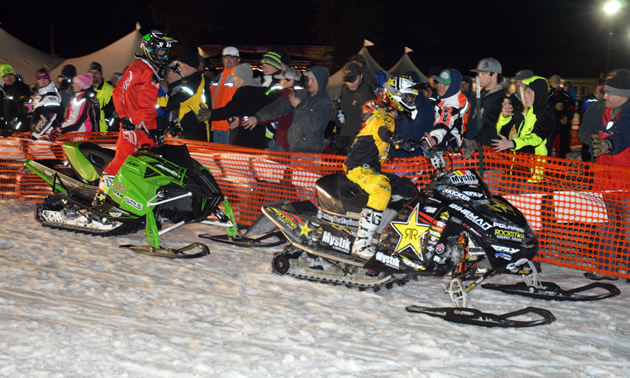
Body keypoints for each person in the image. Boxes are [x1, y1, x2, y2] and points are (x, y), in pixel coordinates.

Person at [93, 30, 177, 206]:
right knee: (121, 160)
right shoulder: (139, 67)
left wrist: (159, 127)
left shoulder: (154, 70)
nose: (165, 55)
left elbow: (149, 104)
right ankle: (101, 197)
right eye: (162, 51)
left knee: (149, 164)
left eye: (166, 51)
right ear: (151, 49)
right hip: (132, 126)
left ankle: (140, 200)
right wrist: (124, 118)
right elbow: (118, 91)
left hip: (147, 127)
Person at [344, 76, 419, 259]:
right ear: (395, 96)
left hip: (371, 168)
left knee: (408, 190)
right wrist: (396, 141)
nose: (411, 101)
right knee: (382, 189)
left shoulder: (389, 115)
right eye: (408, 97)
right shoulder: (384, 116)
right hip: (358, 167)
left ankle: (386, 235)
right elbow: (381, 131)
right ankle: (361, 243)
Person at [243, 66, 333, 153]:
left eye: (313, 80)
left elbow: (315, 125)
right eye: (309, 79)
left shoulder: (325, 102)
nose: (309, 82)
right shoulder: (302, 95)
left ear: (321, 82)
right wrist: (257, 117)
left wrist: (300, 106)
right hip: (294, 149)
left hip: (310, 152)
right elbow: (279, 107)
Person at [199, 63, 272, 149]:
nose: (234, 80)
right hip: (258, 139)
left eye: (235, 77)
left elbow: (230, 110)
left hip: (243, 139)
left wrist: (210, 114)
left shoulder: (243, 91)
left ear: (242, 78)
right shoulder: (261, 91)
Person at [492, 76, 555, 157]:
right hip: (520, 162)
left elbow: (536, 138)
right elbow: (500, 130)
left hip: (537, 166)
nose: (525, 96)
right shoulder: (522, 111)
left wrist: (513, 143)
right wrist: (504, 117)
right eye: (525, 92)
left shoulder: (547, 114)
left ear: (539, 94)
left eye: (529, 92)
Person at [158, 51, 211, 142]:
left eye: (179, 64)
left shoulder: (194, 82)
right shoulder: (191, 80)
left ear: (186, 65)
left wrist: (151, 100)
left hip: (195, 133)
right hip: (190, 131)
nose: (178, 68)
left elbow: (176, 102)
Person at [463, 57, 508, 158]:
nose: (479, 77)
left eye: (483, 73)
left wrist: (476, 141)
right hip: (472, 154)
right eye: (478, 74)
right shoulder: (478, 96)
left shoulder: (501, 100)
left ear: (494, 75)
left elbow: (491, 126)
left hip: (489, 158)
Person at [423, 68, 470, 151]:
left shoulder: (453, 105)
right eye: (440, 82)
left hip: (452, 154)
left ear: (453, 86)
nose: (440, 86)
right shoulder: (445, 97)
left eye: (445, 85)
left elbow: (444, 123)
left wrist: (433, 140)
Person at [390, 71, 433, 158]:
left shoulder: (422, 106)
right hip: (399, 154)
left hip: (412, 158)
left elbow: (416, 132)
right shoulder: (403, 102)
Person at [336, 62, 376, 154]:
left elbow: (370, 124)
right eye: (348, 80)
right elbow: (342, 111)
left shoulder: (367, 95)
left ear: (361, 76)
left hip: (362, 147)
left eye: (353, 80)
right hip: (348, 143)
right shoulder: (344, 90)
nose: (351, 84)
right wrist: (338, 123)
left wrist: (354, 140)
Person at [209, 46, 240, 144]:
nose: (229, 60)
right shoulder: (217, 78)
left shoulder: (240, 77)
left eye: (232, 57)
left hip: (230, 126)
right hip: (216, 124)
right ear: (222, 59)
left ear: (238, 60)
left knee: (229, 157)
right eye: (226, 57)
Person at [56, 73, 99, 138]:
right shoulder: (77, 98)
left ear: (80, 85)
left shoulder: (84, 100)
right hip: (77, 137)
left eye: (75, 83)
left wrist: (59, 129)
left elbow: (76, 121)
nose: (72, 85)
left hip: (84, 138)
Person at [31, 68, 63, 139]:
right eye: (40, 78)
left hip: (48, 135)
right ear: (37, 80)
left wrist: (36, 135)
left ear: (49, 79)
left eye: (45, 78)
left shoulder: (51, 95)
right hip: (43, 134)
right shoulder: (41, 95)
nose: (43, 80)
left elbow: (50, 117)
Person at [547, 74, 575, 158]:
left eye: (558, 82)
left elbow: (572, 108)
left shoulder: (566, 95)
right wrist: (553, 108)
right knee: (548, 146)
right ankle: (548, 162)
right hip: (549, 125)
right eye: (555, 83)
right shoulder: (547, 95)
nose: (557, 84)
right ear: (551, 84)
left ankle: (560, 163)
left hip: (561, 126)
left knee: (561, 147)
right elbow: (543, 109)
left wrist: (567, 117)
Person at [578, 78, 605, 161]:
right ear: (596, 87)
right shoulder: (589, 98)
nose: (601, 87)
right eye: (599, 85)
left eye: (602, 86)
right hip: (589, 125)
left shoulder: (605, 99)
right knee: (587, 147)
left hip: (599, 125)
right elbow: (582, 111)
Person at [1, 64, 32, 133]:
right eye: (5, 76)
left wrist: (12, 127)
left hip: (19, 129)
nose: (8, 78)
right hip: (8, 127)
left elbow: (25, 110)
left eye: (10, 75)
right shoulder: (5, 90)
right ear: (3, 78)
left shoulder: (22, 88)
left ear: (14, 75)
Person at [88, 62, 115, 132]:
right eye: (91, 72)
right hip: (88, 132)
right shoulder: (85, 90)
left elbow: (115, 113)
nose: (93, 75)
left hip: (104, 133)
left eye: (96, 72)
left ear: (101, 74)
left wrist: (111, 128)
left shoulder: (110, 90)